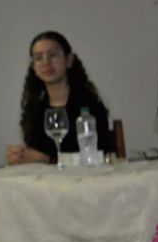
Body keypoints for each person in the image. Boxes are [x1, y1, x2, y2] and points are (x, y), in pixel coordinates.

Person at [6, 31, 110, 165]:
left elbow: (97, 157)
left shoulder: (89, 106)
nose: (46, 62)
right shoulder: (35, 109)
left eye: (53, 55)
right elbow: (36, 152)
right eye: (38, 58)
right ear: (34, 67)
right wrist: (21, 155)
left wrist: (46, 160)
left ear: (69, 60)